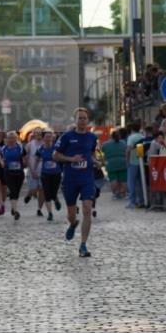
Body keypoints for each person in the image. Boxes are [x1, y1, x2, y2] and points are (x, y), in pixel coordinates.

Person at [54, 107, 99, 258]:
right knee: (71, 214)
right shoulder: (67, 137)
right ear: (75, 120)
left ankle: (83, 245)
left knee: (87, 209)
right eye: (80, 118)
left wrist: (95, 161)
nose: (82, 120)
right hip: (70, 179)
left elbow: (92, 153)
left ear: (88, 120)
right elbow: (55, 155)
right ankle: (73, 224)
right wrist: (71, 159)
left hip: (87, 178)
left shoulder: (92, 137)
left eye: (84, 118)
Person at [0, 130, 26, 221]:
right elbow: (0, 157)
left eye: (13, 138)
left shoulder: (20, 147)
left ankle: (13, 207)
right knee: (13, 190)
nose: (11, 139)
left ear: (16, 139)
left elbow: (25, 157)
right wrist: (2, 163)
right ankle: (16, 211)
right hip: (8, 173)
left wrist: (25, 162)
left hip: (19, 173)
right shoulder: (4, 148)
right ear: (7, 139)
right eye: (9, 138)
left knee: (16, 192)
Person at [37, 130, 62, 221]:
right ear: (43, 138)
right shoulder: (40, 148)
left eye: (50, 137)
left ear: (52, 138)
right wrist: (33, 170)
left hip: (56, 173)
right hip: (45, 174)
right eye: (46, 137)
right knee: (47, 193)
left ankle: (55, 199)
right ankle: (50, 213)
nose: (48, 139)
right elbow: (37, 159)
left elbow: (61, 158)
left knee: (53, 192)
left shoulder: (57, 148)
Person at [101, 128, 128, 200]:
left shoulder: (105, 144)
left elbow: (102, 151)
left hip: (110, 164)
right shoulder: (123, 142)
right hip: (122, 163)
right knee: (123, 180)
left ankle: (116, 194)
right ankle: (123, 194)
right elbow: (126, 150)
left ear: (110, 136)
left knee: (113, 179)